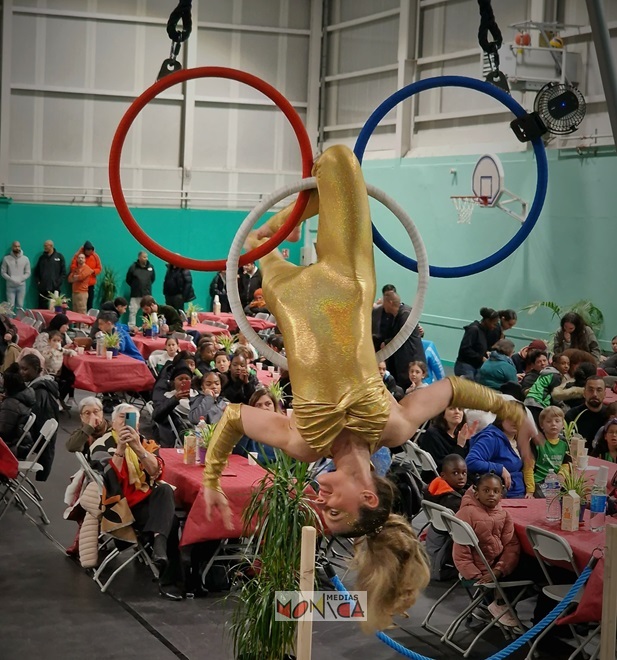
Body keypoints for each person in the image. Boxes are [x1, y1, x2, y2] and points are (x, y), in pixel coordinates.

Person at [201, 146, 530, 631]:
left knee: (256, 238)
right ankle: (301, 210)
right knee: (337, 161)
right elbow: (452, 389)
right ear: (369, 497)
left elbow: (231, 418)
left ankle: (289, 220)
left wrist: (211, 478)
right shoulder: (393, 427)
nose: (323, 504)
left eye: (324, 513)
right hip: (349, 281)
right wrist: (509, 408)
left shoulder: (302, 443)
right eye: (335, 512)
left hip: (289, 299)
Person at [89, 403, 183, 600]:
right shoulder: (100, 446)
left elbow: (156, 473)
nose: (125, 423)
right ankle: (167, 577)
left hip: (146, 501)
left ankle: (158, 543)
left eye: (131, 419)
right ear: (113, 422)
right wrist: (121, 448)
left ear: (138, 426)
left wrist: (138, 449)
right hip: (121, 506)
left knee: (165, 489)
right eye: (122, 417)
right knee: (171, 521)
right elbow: (111, 480)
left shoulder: (145, 443)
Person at [453, 473, 522, 629]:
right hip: (478, 571)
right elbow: (460, 552)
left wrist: (499, 570)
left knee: (524, 561)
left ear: (502, 493)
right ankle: (499, 603)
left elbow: (512, 545)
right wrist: (476, 574)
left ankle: (490, 604)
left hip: (495, 566)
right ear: (476, 492)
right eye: (486, 490)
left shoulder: (504, 515)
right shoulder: (466, 513)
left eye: (496, 491)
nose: (491, 494)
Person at [424, 454, 468, 580]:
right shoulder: (452, 501)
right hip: (442, 562)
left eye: (464, 473)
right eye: (455, 473)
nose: (461, 477)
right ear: (443, 475)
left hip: (433, 552)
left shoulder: (434, 488)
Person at [466, 409, 527, 498]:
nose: (515, 421)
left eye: (519, 418)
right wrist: (499, 468)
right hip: (502, 498)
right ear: (501, 418)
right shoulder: (490, 438)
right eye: (511, 417)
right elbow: (471, 461)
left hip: (523, 495)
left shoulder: (519, 438)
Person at [373, 290, 425, 391]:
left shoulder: (404, 314)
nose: (383, 306)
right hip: (403, 360)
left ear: (390, 302)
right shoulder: (399, 314)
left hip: (410, 359)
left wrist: (386, 343)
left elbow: (402, 336)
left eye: (384, 303)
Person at [18, 353, 59, 481]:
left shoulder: (39, 393)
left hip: (27, 443)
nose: (21, 372)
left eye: (25, 369)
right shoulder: (37, 388)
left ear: (37, 370)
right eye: (20, 369)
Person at [523, 406, 570, 497]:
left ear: (563, 424)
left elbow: (567, 463)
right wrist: (530, 490)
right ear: (541, 425)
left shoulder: (564, 442)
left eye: (557, 421)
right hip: (539, 481)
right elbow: (528, 467)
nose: (553, 424)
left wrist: (562, 474)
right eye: (548, 421)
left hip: (556, 481)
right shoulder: (535, 442)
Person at [418, 407, 477, 478]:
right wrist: (460, 445)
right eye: (452, 409)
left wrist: (470, 442)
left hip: (458, 476)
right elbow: (445, 467)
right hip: (439, 479)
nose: (457, 412)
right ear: (443, 414)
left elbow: (467, 462)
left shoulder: (460, 434)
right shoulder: (433, 434)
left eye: (460, 409)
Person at [152, 361, 198, 447]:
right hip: (185, 432)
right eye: (180, 379)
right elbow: (156, 416)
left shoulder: (197, 395)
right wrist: (175, 400)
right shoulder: (167, 397)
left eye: (187, 379)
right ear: (174, 382)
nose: (183, 381)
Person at [454, 308, 499, 380]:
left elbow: (479, 346)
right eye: (494, 324)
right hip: (465, 364)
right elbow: (465, 349)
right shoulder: (473, 329)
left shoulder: (485, 331)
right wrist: (481, 358)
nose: (495, 327)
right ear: (487, 321)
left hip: (476, 366)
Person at [0, 365, 35, 457]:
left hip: (13, 447)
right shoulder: (22, 397)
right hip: (22, 444)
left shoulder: (11, 404)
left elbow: (3, 431)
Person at [524, 353, 571, 421]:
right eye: (563, 363)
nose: (566, 366)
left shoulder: (548, 373)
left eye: (568, 364)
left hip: (530, 401)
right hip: (537, 403)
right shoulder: (555, 376)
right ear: (554, 364)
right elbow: (555, 397)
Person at [565, 376, 607, 449]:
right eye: (590, 390)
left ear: (605, 394)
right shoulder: (572, 415)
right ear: (584, 393)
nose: (594, 394)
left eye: (599, 390)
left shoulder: (610, 415)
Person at [33, 240, 66, 308]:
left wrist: (57, 283)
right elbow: (36, 272)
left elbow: (63, 273)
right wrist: (39, 283)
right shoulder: (42, 258)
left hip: (55, 289)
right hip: (43, 289)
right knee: (42, 308)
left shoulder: (59, 257)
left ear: (51, 246)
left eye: (46, 246)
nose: (44, 247)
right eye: (44, 246)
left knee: (54, 309)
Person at [126, 251, 156, 326]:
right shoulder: (133, 267)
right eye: (144, 257)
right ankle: (132, 327)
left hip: (147, 295)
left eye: (146, 257)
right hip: (136, 294)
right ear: (139, 257)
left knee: (149, 312)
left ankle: (148, 327)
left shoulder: (151, 267)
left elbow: (152, 278)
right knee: (133, 311)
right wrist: (136, 286)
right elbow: (128, 279)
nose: (146, 259)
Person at [70, 241, 102, 311]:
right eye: (87, 250)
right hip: (79, 286)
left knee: (89, 304)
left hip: (90, 285)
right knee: (77, 305)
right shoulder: (79, 256)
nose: (89, 252)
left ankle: (88, 321)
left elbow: (99, 268)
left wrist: (92, 271)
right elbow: (72, 267)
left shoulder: (95, 256)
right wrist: (78, 272)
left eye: (90, 250)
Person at [2, 241, 30, 309]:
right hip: (10, 286)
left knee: (20, 306)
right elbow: (3, 272)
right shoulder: (6, 259)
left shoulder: (25, 259)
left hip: (21, 286)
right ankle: (10, 320)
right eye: (15, 246)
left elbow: (28, 272)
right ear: (12, 247)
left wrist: (20, 279)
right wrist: (11, 279)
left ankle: (18, 319)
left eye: (18, 246)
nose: (17, 248)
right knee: (10, 306)